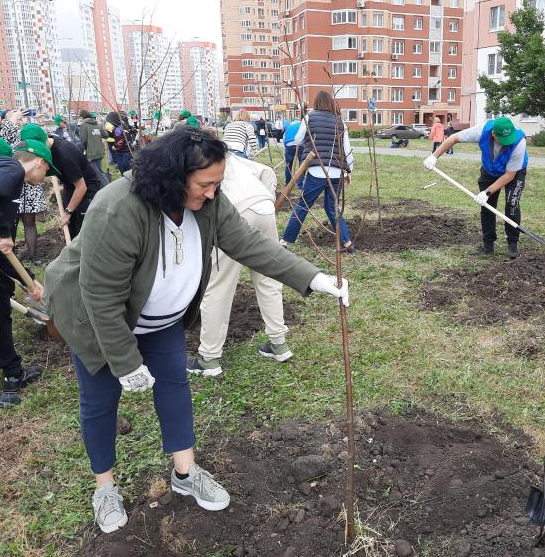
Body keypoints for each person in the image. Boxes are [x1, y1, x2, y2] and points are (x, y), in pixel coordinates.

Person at [43, 127, 348, 534]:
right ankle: (105, 488)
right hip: (96, 319)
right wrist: (125, 360)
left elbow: (249, 244)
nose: (212, 193)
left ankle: (185, 475)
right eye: (205, 184)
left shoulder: (207, 202)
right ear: (173, 176)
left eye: (217, 184)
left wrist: (313, 278)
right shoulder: (117, 208)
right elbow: (100, 296)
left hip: (160, 318)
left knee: (174, 385)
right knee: (100, 400)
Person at [0, 140, 53, 409]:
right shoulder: (13, 171)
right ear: (39, 162)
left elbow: (3, 253)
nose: (44, 179)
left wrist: (29, 281)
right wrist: (4, 235)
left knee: (0, 308)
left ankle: (14, 373)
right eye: (47, 171)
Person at [191, 152, 293, 374]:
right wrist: (267, 200)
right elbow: (266, 172)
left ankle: (209, 358)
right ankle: (278, 343)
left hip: (235, 212)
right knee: (268, 278)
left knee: (219, 284)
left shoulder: (194, 160)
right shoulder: (229, 156)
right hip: (264, 207)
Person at [424, 116, 528, 259]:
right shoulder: (481, 131)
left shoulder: (519, 142)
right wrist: (434, 156)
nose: (507, 143)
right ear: (493, 134)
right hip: (489, 170)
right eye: (503, 140)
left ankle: (512, 243)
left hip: (514, 173)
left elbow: (509, 175)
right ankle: (488, 244)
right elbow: (453, 138)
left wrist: (487, 191)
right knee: (486, 205)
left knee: (512, 203)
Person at [280, 91, 355, 253]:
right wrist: (349, 171)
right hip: (337, 173)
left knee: (303, 205)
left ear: (317, 103)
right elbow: (347, 150)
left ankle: (285, 240)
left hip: (316, 170)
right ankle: (347, 242)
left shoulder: (309, 118)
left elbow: (298, 140)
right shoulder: (340, 122)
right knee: (332, 207)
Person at [20, 124, 106, 238]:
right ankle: (73, 250)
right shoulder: (48, 147)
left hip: (87, 189)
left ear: (45, 139)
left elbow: (81, 187)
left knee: (82, 228)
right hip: (70, 186)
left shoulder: (65, 154)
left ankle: (83, 251)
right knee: (71, 228)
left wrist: (68, 212)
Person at [0, 110, 47, 265]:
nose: (19, 120)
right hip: (14, 187)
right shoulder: (7, 137)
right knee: (11, 224)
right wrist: (11, 119)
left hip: (27, 185)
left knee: (29, 223)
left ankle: (33, 256)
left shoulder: (24, 138)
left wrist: (41, 122)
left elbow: (42, 137)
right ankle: (11, 258)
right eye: (16, 117)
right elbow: (3, 133)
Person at [78, 110, 109, 182]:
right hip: (100, 151)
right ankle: (100, 186)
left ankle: (106, 187)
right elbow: (106, 135)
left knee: (98, 173)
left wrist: (84, 150)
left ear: (82, 117)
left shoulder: (84, 126)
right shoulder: (98, 125)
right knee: (99, 171)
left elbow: (83, 140)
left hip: (91, 153)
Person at [282, 117, 301, 185]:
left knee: (288, 165)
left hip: (289, 145)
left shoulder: (289, 126)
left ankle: (288, 183)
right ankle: (300, 184)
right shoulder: (301, 124)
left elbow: (285, 137)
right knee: (301, 164)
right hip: (299, 144)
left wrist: (285, 146)